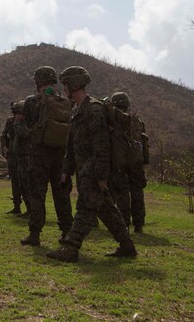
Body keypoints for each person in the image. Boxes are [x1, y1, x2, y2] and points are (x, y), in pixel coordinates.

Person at [47, 66, 137, 262]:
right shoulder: (78, 110)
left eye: (65, 84)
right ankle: (127, 246)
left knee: (85, 208)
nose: (63, 88)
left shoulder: (94, 109)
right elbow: (72, 144)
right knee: (105, 209)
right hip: (84, 168)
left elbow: (101, 145)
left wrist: (102, 176)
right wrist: (66, 170)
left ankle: (71, 248)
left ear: (74, 84)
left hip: (93, 169)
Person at [20, 66, 73, 246]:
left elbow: (28, 124)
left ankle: (35, 234)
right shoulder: (65, 101)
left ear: (37, 82)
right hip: (60, 153)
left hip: (39, 153)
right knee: (62, 195)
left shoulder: (32, 101)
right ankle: (67, 231)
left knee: (37, 194)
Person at [111, 92, 149, 233]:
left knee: (122, 194)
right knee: (137, 193)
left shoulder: (114, 119)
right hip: (136, 162)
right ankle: (139, 224)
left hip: (120, 161)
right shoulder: (137, 121)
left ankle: (124, 223)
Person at [1, 103, 22, 214]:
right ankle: (17, 206)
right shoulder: (10, 121)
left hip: (23, 155)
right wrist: (5, 146)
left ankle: (29, 208)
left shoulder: (26, 121)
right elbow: (4, 135)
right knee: (15, 181)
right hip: (12, 155)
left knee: (24, 182)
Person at [11, 100, 31, 217]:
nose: (16, 115)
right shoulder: (20, 122)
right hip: (20, 157)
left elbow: (22, 134)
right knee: (22, 185)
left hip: (26, 157)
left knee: (26, 184)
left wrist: (17, 123)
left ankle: (31, 209)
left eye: (19, 113)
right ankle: (29, 209)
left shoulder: (25, 124)